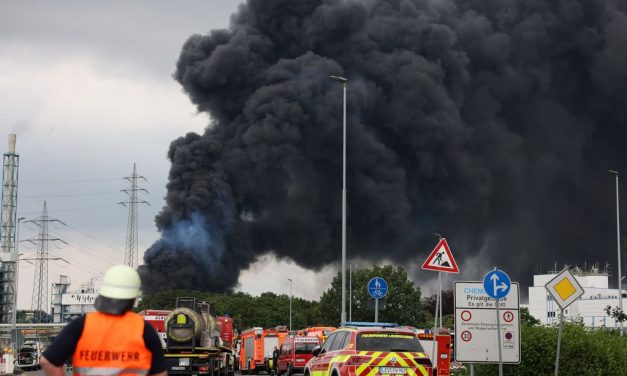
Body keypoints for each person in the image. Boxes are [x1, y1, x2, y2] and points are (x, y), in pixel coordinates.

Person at [40, 265, 166, 376]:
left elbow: (48, 361)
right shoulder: (144, 330)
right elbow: (159, 373)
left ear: (103, 294)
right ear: (133, 299)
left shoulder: (81, 326)